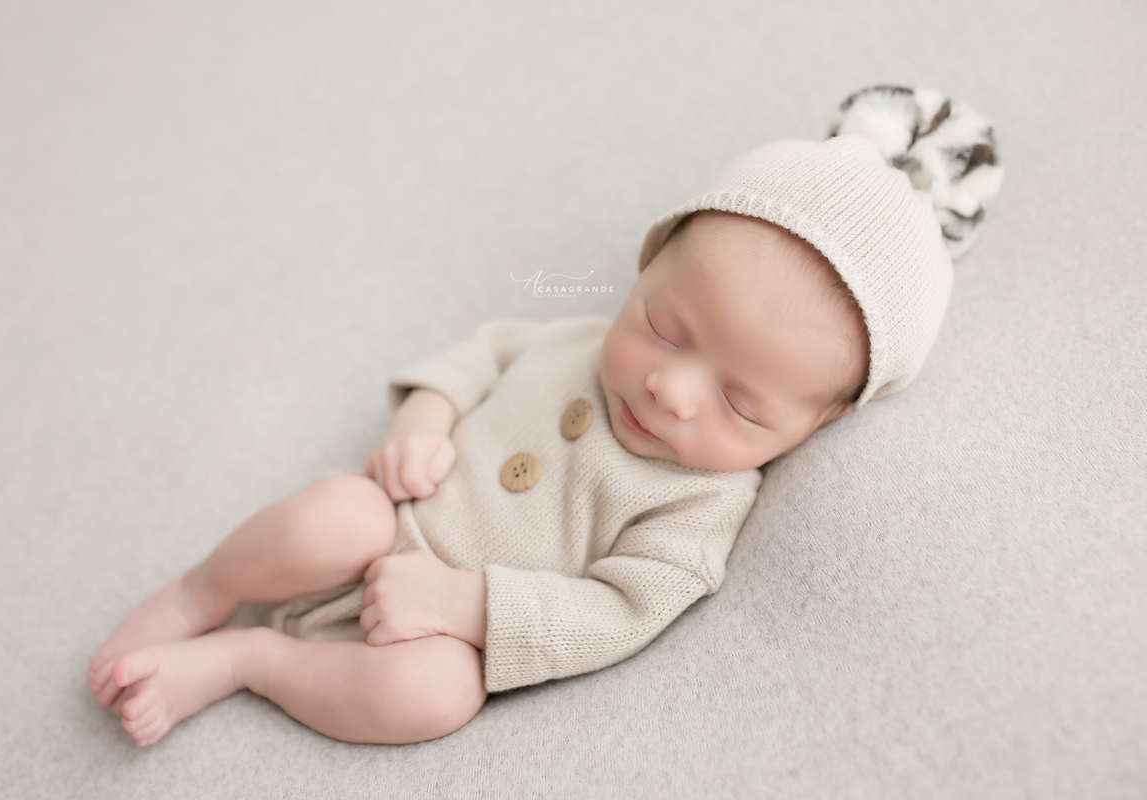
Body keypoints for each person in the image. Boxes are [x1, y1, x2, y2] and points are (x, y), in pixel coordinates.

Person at [86, 85, 1004, 747]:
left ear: (816, 427)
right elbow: (488, 350)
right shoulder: (578, 338)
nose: (671, 389)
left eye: (739, 402)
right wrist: (425, 418)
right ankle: (200, 592)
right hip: (392, 522)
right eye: (664, 326)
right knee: (340, 511)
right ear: (646, 267)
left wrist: (467, 604)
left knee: (436, 695)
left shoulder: (699, 510)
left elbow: (616, 612)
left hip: (433, 630)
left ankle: (246, 661)